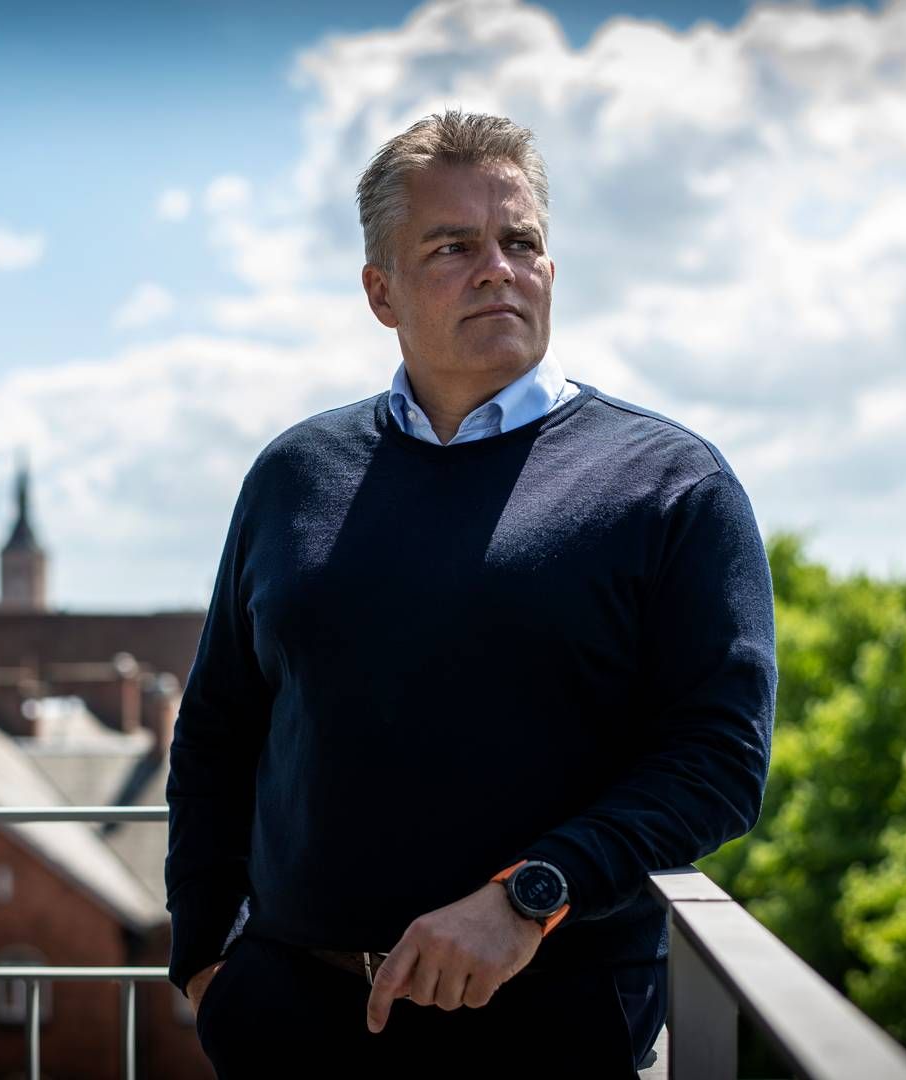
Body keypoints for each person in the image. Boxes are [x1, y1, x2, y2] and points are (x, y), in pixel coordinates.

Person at [165, 110, 776, 1077]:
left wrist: (531, 894)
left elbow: (720, 759)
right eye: (453, 246)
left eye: (520, 241)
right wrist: (205, 960)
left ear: (550, 268)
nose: (497, 267)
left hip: (553, 1027)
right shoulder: (291, 475)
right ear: (381, 291)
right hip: (292, 1021)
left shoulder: (671, 484)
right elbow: (218, 728)